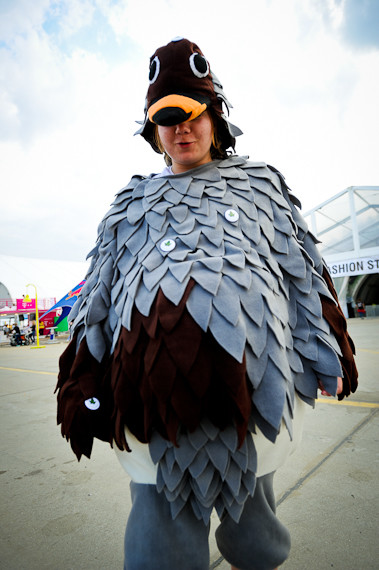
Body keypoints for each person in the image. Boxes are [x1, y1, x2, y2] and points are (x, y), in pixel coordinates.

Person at [56, 38, 358, 570]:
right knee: (160, 543)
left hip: (252, 393)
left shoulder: (260, 186)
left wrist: (328, 344)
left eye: (193, 115)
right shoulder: (128, 207)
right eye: (168, 120)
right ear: (154, 131)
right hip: (154, 411)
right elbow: (95, 299)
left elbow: (302, 273)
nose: (183, 130)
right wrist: (84, 379)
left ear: (214, 117)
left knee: (254, 534)